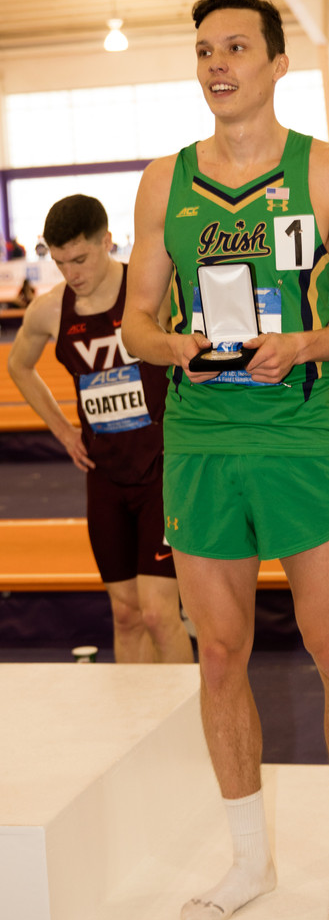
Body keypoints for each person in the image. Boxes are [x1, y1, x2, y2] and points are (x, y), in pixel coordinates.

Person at [122, 0, 329, 920]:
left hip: (296, 433)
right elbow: (137, 319)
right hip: (200, 438)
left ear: (278, 63)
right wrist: (172, 348)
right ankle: (248, 861)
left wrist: (307, 344)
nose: (217, 64)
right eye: (205, 50)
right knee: (219, 656)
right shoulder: (161, 182)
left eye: (236, 47)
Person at [8, 194, 194, 665]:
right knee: (126, 614)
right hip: (105, 476)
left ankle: (187, 713)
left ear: (107, 242)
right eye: (60, 262)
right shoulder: (50, 311)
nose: (71, 273)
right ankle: (136, 712)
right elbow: (18, 366)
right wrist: (62, 430)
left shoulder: (150, 293)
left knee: (158, 613)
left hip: (162, 470)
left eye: (80, 259)